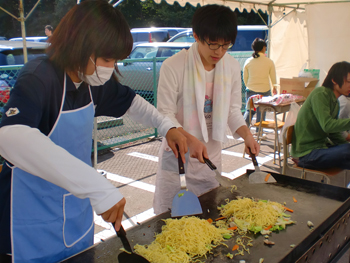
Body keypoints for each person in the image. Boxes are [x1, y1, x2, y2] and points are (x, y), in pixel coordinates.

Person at [0, 1, 188, 263]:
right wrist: (98, 187)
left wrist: (168, 126)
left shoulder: (91, 81)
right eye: (107, 58)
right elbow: (11, 137)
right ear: (81, 45)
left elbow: (132, 102)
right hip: (29, 220)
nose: (110, 67)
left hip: (77, 213)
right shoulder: (39, 76)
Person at [153, 4, 260, 215]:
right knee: (171, 223)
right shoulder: (173, 66)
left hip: (210, 162)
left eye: (225, 45)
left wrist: (247, 135)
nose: (219, 52)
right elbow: (164, 114)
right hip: (178, 164)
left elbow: (232, 111)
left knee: (209, 221)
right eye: (213, 44)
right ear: (196, 35)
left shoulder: (230, 66)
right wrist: (190, 139)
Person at [291, 61, 350, 170]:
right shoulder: (320, 94)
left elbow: (333, 133)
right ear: (334, 80)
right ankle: (302, 162)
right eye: (348, 82)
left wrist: (344, 144)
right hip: (307, 153)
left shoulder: (334, 102)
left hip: (321, 148)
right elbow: (327, 125)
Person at [243, 38, 277, 130]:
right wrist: (274, 87)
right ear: (263, 48)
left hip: (251, 90)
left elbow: (245, 77)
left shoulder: (248, 61)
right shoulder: (269, 61)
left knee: (249, 111)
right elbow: (273, 77)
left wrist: (248, 86)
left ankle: (243, 131)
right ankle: (259, 133)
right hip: (264, 91)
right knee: (261, 113)